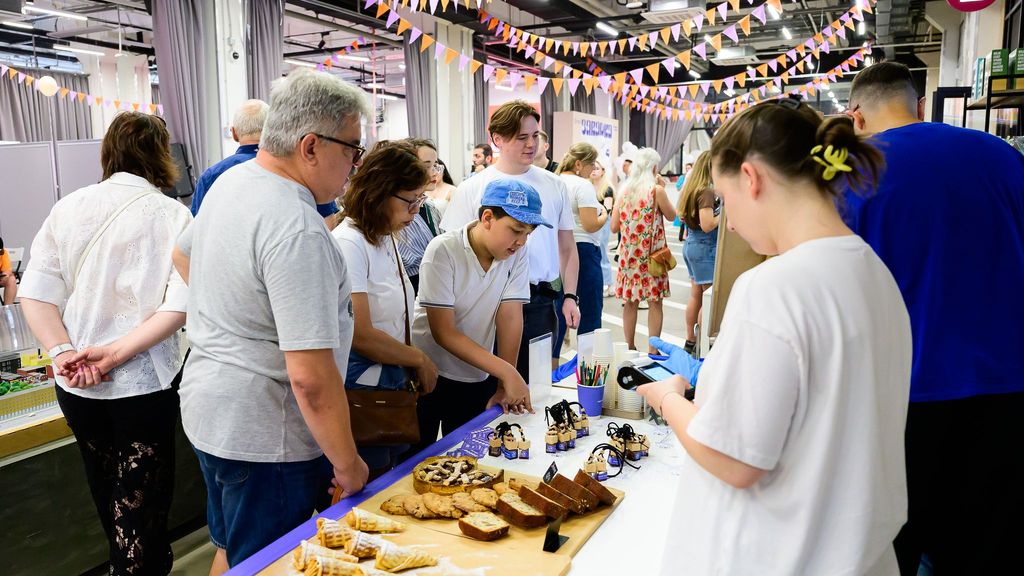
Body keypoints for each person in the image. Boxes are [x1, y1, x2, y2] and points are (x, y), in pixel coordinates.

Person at [637, 97, 911, 575]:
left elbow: (736, 460)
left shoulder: (774, 286)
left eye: (725, 200)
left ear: (751, 178)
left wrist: (668, 399)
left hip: (783, 556)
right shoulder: (877, 274)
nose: (732, 222)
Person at [171, 69, 369, 572]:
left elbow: (182, 254)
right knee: (268, 563)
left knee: (233, 552)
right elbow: (310, 380)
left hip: (212, 411)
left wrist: (234, 316)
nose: (353, 166)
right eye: (351, 150)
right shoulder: (296, 225)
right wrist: (348, 464)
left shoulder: (233, 182)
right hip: (267, 435)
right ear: (310, 146)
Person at [844, 61, 1024, 575]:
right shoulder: (1004, 157)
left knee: (890, 551)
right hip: (1007, 389)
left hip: (903, 396)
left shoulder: (854, 173)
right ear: (920, 106)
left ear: (856, 117)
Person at [19, 111, 192, 575]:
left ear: (107, 152)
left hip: (77, 385)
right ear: (161, 155)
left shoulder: (68, 207)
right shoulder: (173, 214)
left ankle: (127, 566)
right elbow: (182, 302)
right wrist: (115, 354)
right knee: (142, 506)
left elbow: (34, 293)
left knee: (105, 491)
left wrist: (62, 353)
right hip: (142, 383)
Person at [442, 100, 580, 381]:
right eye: (522, 137)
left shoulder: (555, 185)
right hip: (487, 303)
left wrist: (569, 296)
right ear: (497, 139)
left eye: (535, 136)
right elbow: (453, 251)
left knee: (536, 387)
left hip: (540, 301)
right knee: (489, 387)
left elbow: (567, 247)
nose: (532, 144)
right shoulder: (472, 188)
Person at [333, 140, 439, 476]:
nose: (416, 210)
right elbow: (360, 334)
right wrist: (418, 359)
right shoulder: (350, 244)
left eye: (420, 200)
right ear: (379, 192)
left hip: (389, 386)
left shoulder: (384, 237)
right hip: (362, 393)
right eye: (410, 201)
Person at [412, 178, 543, 451]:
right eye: (516, 230)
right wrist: (507, 371)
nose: (521, 241)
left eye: (528, 233)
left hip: (477, 373)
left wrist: (503, 382)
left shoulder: (516, 254)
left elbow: (510, 317)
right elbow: (443, 332)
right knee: (417, 457)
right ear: (487, 218)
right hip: (428, 373)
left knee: (467, 459)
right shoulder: (443, 250)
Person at [190, 99, 341, 221]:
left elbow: (197, 233)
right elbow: (328, 223)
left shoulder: (211, 176)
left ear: (235, 134)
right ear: (273, 129)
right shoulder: (300, 170)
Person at [609, 148, 676, 353]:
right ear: (654, 168)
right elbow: (672, 216)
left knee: (630, 303)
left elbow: (613, 227)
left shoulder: (624, 192)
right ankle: (653, 350)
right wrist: (662, 186)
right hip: (652, 257)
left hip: (629, 258)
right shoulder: (657, 191)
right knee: (655, 303)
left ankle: (629, 346)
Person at [553, 143, 605, 365]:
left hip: (556, 249)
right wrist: (605, 213)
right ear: (578, 164)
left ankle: (551, 365)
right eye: (591, 163)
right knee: (591, 310)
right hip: (583, 248)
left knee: (557, 310)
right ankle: (587, 366)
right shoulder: (582, 185)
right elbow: (590, 224)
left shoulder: (553, 181)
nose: (593, 168)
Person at [677, 152, 719, 353]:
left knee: (696, 295)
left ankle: (691, 340)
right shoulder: (707, 192)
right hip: (705, 248)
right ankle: (702, 343)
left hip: (692, 245)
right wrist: (726, 215)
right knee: (708, 298)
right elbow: (708, 224)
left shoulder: (690, 189)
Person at [396, 139, 445, 294]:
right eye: (426, 166)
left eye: (435, 165)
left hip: (434, 286)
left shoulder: (431, 208)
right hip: (411, 288)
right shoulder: (398, 210)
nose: (434, 172)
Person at [588, 161, 615, 297]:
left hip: (603, 221)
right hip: (590, 221)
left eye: (597, 168)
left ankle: (608, 284)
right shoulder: (586, 185)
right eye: (592, 167)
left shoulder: (607, 189)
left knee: (602, 252)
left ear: (603, 171)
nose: (594, 170)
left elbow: (607, 209)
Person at [0, 237, 16, 305]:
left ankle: (7, 308)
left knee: (11, 279)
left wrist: (5, 276)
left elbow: (7, 270)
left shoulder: (3, 253)